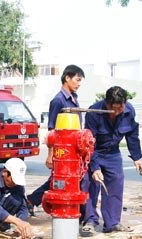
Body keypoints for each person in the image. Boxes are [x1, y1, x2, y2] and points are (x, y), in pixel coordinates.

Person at [81, 86, 142, 236]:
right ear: (106, 103)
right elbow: (90, 143)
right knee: (90, 184)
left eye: (120, 108)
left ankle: (112, 223)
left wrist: (136, 157)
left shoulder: (129, 111)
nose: (116, 112)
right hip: (94, 151)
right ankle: (90, 220)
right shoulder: (94, 113)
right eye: (113, 109)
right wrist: (95, 167)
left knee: (115, 183)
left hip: (113, 153)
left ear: (124, 103)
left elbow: (132, 135)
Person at [26, 64, 86, 214]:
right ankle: (32, 200)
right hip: (62, 150)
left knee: (70, 179)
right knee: (59, 180)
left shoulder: (74, 99)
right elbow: (52, 130)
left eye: (80, 81)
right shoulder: (58, 101)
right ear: (67, 78)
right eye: (77, 80)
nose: (79, 84)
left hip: (74, 149)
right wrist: (51, 154)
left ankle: (32, 200)